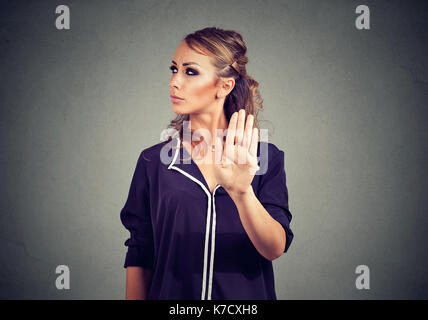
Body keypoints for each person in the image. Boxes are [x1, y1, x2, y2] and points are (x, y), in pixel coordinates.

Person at [120, 27, 294, 300]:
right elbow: (141, 250)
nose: (174, 82)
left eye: (190, 71)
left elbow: (274, 248)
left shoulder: (265, 159)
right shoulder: (152, 162)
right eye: (173, 69)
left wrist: (242, 193)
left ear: (225, 85)